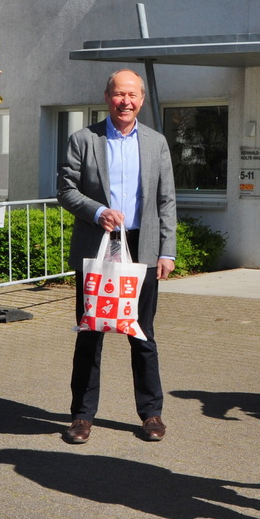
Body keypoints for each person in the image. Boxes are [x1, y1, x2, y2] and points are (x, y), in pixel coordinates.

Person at [57, 69, 177, 444]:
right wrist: (97, 211)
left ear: (141, 99)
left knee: (142, 334)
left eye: (133, 95)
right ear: (107, 97)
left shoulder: (156, 142)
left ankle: (151, 414)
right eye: (118, 94)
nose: (126, 101)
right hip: (98, 246)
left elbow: (166, 200)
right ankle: (81, 416)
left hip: (143, 248)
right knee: (91, 333)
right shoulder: (84, 139)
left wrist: (167, 251)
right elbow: (65, 189)